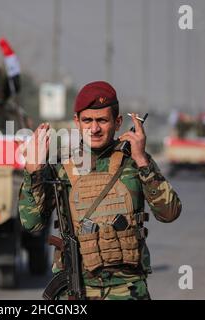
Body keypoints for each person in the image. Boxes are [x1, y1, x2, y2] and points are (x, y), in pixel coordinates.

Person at [19, 81, 182, 300]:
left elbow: (169, 212)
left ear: (117, 122)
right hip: (76, 290)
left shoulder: (135, 162)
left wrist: (143, 160)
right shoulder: (62, 168)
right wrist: (34, 173)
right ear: (77, 122)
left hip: (128, 291)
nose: (94, 129)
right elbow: (32, 223)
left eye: (102, 120)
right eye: (87, 120)